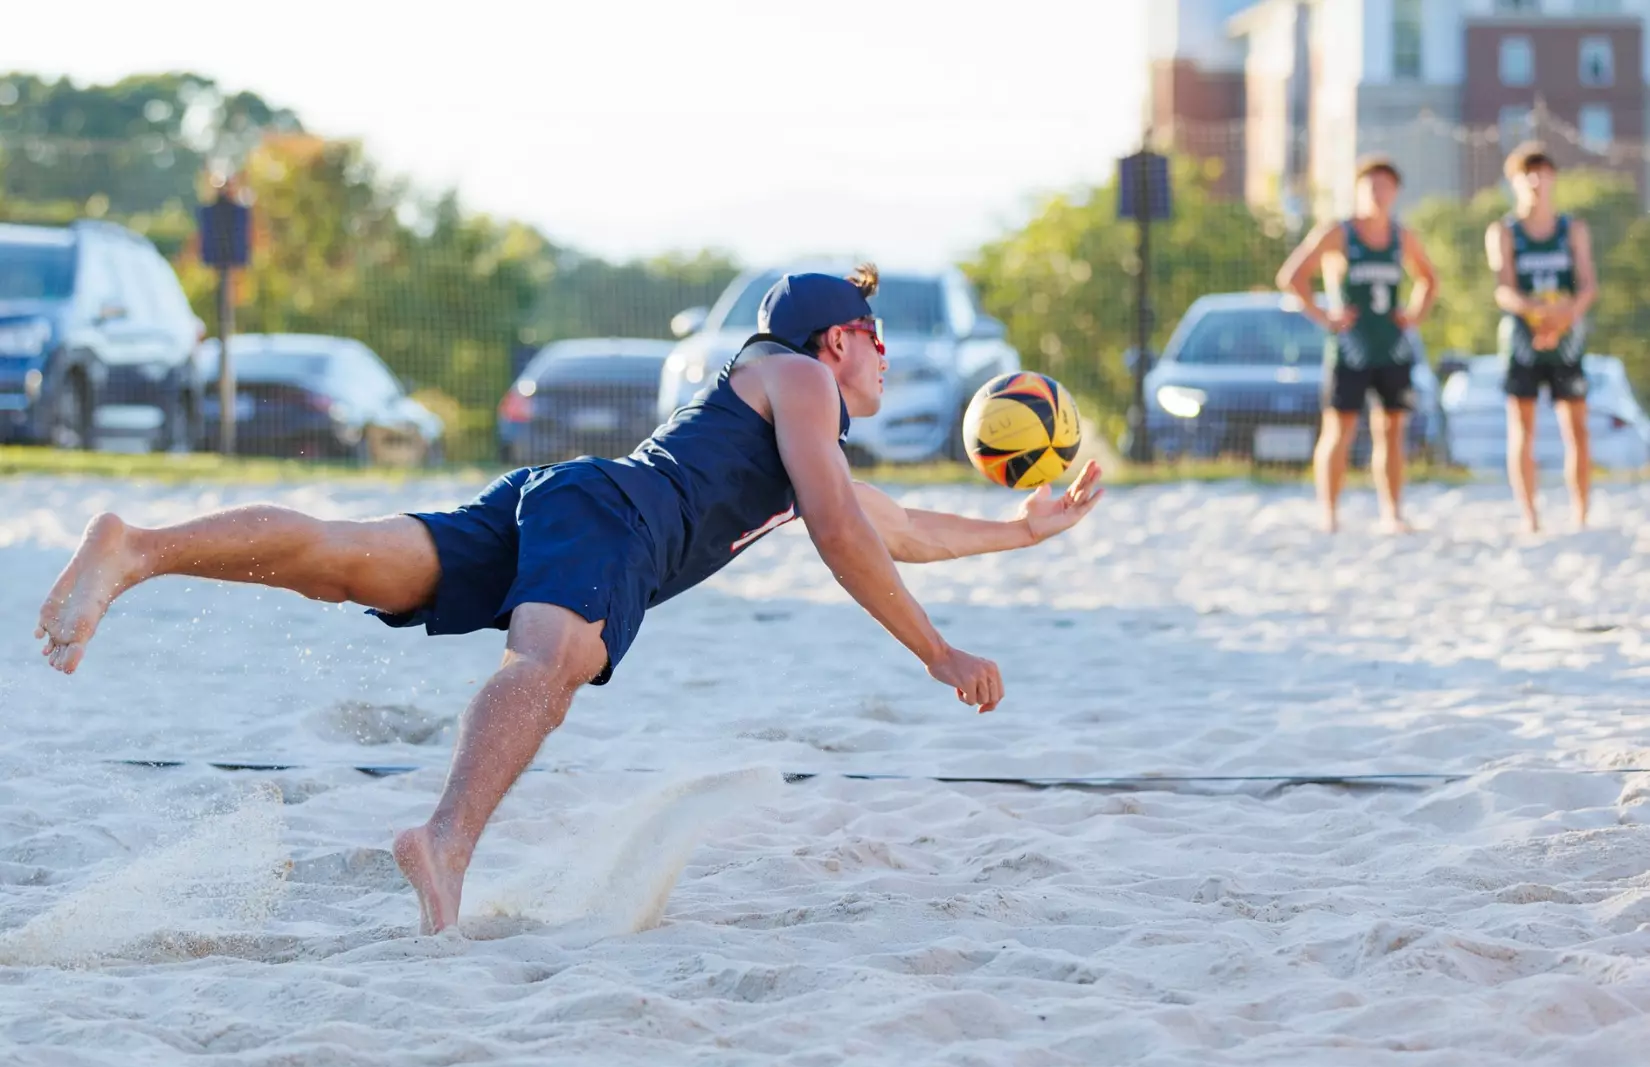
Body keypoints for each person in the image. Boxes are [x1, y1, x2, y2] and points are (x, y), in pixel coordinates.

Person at [34, 263, 1105, 935]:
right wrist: (938, 653)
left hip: (568, 496)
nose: (887, 349)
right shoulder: (803, 379)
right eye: (875, 333)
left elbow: (892, 528)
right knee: (556, 661)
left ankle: (136, 549)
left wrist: (1019, 531)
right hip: (615, 520)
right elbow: (839, 532)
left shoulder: (793, 417)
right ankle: (446, 838)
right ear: (836, 341)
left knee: (343, 558)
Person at [1276, 156, 1438, 534]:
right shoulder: (1339, 233)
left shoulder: (1402, 236)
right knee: (1339, 429)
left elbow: (1430, 278)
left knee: (1392, 430)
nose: (1378, 194)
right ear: (1359, 191)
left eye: (1385, 187)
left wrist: (1413, 314)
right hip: (1350, 349)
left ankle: (1392, 512)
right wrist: (1324, 315)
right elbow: (1291, 276)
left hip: (1392, 348)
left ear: (1395, 192)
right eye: (1371, 186)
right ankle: (1329, 514)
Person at [1484, 142, 1597, 532]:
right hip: (1523, 340)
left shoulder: (1572, 228)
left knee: (1577, 426)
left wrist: (1564, 316)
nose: (1535, 180)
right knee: (1522, 427)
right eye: (1526, 173)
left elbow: (1587, 286)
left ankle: (1580, 515)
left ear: (1553, 179)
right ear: (1513, 182)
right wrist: (1537, 313)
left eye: (1542, 172)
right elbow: (1504, 289)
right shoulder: (1504, 230)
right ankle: (1530, 516)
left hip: (1566, 338)